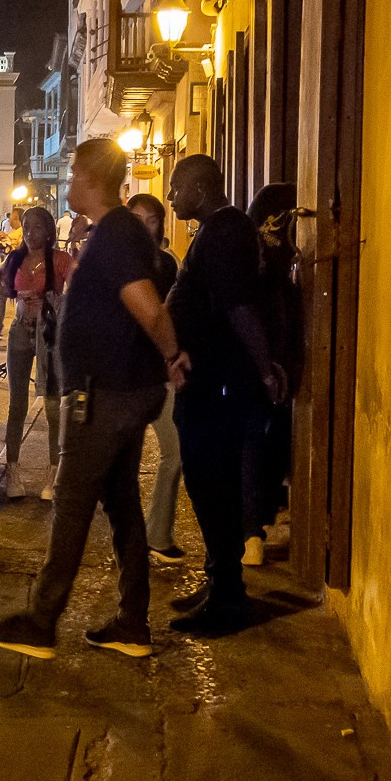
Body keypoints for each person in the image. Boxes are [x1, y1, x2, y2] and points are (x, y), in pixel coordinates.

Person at [0, 138, 185, 661]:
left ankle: (41, 621)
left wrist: (172, 355)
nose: (68, 182)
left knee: (71, 503)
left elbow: (149, 309)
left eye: (72, 173)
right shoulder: (114, 233)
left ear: (91, 177)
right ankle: (132, 624)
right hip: (117, 390)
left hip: (106, 393)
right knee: (121, 502)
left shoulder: (115, 233)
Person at [166, 154, 288, 633]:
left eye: (177, 188)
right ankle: (221, 581)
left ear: (198, 187)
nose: (173, 198)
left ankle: (229, 598)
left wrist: (263, 370)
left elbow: (237, 308)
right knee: (208, 482)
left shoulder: (223, 231)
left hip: (219, 381)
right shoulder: (220, 229)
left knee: (212, 483)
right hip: (210, 379)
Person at [241, 181, 302, 565]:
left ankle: (253, 530)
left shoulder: (254, 257)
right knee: (259, 442)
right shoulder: (270, 272)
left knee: (258, 443)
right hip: (265, 360)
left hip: (264, 360)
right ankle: (253, 529)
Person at [0, 206, 74, 501]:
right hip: (20, 331)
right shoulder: (15, 259)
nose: (30, 233)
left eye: (37, 228)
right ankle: (12, 470)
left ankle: (53, 472)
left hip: (49, 336)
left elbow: (79, 286)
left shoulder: (60, 260)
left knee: (52, 405)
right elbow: (2, 284)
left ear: (49, 231)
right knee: (17, 404)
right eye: (26, 227)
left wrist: (54, 301)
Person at [127, 193, 185, 563]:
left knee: (175, 453)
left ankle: (158, 534)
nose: (146, 227)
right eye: (138, 220)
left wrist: (173, 354)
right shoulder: (117, 263)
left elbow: (171, 314)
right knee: (122, 465)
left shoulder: (167, 264)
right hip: (126, 375)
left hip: (161, 373)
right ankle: (129, 541)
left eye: (153, 220)